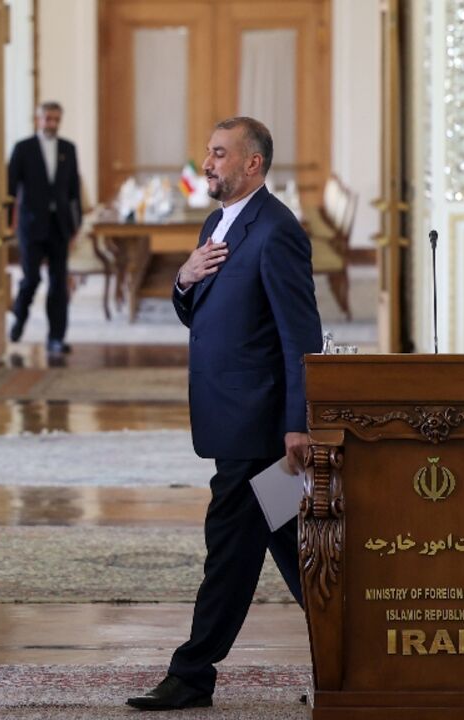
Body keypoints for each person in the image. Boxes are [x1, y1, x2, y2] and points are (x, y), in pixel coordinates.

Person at [126, 117, 321, 711]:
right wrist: (182, 281)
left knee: (230, 550)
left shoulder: (276, 230)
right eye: (208, 153)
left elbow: (300, 335)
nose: (206, 164)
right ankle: (365, 645)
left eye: (217, 154)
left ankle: (192, 674)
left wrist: (297, 422)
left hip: (258, 427)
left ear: (252, 164)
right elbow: (202, 309)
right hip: (230, 417)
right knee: (295, 547)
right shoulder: (217, 222)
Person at [7, 101, 82, 355]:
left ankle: (56, 338)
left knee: (58, 283)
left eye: (55, 119)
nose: (51, 124)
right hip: (31, 226)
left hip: (59, 225)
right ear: (37, 119)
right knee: (31, 278)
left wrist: (76, 225)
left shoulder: (68, 149)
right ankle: (19, 318)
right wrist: (8, 223)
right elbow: (10, 190)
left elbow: (74, 191)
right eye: (47, 119)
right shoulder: (23, 148)